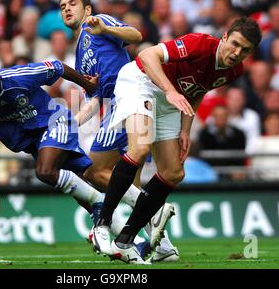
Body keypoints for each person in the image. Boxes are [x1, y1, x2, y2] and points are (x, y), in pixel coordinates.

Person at [92, 17, 262, 264]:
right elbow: (148, 55)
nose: (237, 53)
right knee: (139, 149)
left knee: (173, 173)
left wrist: (185, 129)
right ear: (224, 37)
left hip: (170, 101)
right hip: (142, 81)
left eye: (245, 50)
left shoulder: (233, 70)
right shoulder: (199, 43)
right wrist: (171, 91)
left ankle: (126, 240)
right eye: (235, 44)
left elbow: (198, 90)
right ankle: (102, 225)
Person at [60, 0, 179, 262]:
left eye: (73, 3)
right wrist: (70, 124)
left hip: (129, 99)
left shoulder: (98, 23)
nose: (67, 9)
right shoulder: (79, 53)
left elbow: (136, 35)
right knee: (131, 184)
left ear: (87, 10)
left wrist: (105, 29)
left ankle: (155, 212)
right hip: (119, 106)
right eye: (63, 5)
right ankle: (163, 247)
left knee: (94, 169)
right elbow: (92, 99)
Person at [0, 57, 106, 222]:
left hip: (54, 121)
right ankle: (107, 222)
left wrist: (88, 86)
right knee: (73, 179)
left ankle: (100, 202)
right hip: (33, 143)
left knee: (45, 171)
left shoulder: (18, 77)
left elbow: (58, 67)